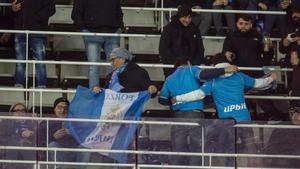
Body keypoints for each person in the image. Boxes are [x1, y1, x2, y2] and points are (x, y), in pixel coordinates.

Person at [172, 54, 277, 166]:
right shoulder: (240, 76)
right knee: (250, 149)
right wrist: (271, 78)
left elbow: (197, 94)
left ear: (214, 66)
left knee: (229, 151)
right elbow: (258, 83)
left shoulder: (213, 81)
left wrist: (178, 98)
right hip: (244, 118)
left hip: (226, 122)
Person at [158, 56, 238, 166]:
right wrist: (224, 70)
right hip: (195, 115)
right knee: (197, 149)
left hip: (177, 117)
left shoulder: (169, 78)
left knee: (177, 150)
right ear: (188, 62)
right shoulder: (191, 69)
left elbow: (162, 100)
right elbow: (204, 75)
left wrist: (173, 102)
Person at [71, 0, 123, 89]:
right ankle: (94, 92)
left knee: (113, 64)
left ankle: (110, 93)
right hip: (91, 32)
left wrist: (120, 27)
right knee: (93, 65)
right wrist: (83, 28)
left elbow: (118, 10)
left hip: (112, 32)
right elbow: (76, 12)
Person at [11, 0, 55, 88]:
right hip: (20, 30)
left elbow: (51, 8)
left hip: (37, 30)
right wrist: (13, 9)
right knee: (20, 60)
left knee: (39, 59)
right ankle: (19, 83)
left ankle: (41, 84)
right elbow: (12, 11)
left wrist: (36, 18)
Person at [159, 4, 205, 77]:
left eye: (189, 17)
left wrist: (192, 64)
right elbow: (164, 50)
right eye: (184, 17)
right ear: (179, 16)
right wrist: (179, 63)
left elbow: (200, 50)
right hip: (172, 70)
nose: (187, 20)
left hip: (191, 70)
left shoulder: (195, 30)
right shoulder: (168, 29)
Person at [93, 48, 157, 94]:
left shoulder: (138, 72)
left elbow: (150, 90)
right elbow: (106, 91)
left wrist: (152, 89)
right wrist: (99, 90)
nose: (111, 63)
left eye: (113, 60)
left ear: (122, 59)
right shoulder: (112, 74)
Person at [38, 97, 78, 165]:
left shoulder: (76, 122)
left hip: (73, 151)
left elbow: (84, 139)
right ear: (54, 109)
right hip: (55, 153)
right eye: (59, 107)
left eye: (66, 108)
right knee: (53, 145)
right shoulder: (46, 122)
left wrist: (73, 134)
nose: (62, 110)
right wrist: (53, 137)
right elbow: (40, 141)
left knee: (85, 148)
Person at [4, 103, 36, 169]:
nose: (20, 113)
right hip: (11, 149)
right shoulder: (5, 123)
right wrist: (18, 141)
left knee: (27, 146)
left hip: (28, 149)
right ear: (11, 113)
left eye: (22, 110)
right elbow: (3, 138)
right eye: (17, 110)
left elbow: (38, 138)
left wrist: (33, 133)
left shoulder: (31, 123)